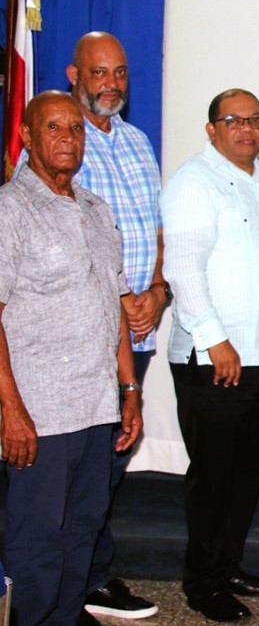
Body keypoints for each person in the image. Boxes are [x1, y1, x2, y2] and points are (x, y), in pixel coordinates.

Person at [0, 91, 143, 626]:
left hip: (97, 405)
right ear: (27, 138)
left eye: (76, 129)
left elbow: (115, 306)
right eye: (54, 128)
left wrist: (129, 390)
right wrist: (11, 410)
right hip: (39, 413)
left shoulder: (95, 209)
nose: (68, 138)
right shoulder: (10, 210)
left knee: (82, 530)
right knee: (37, 541)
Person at [161, 88, 259, 622]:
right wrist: (215, 340)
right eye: (233, 120)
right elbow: (183, 270)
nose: (246, 129)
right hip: (213, 359)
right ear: (211, 128)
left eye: (255, 119)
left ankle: (228, 565)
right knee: (213, 478)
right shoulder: (194, 182)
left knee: (244, 474)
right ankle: (203, 583)